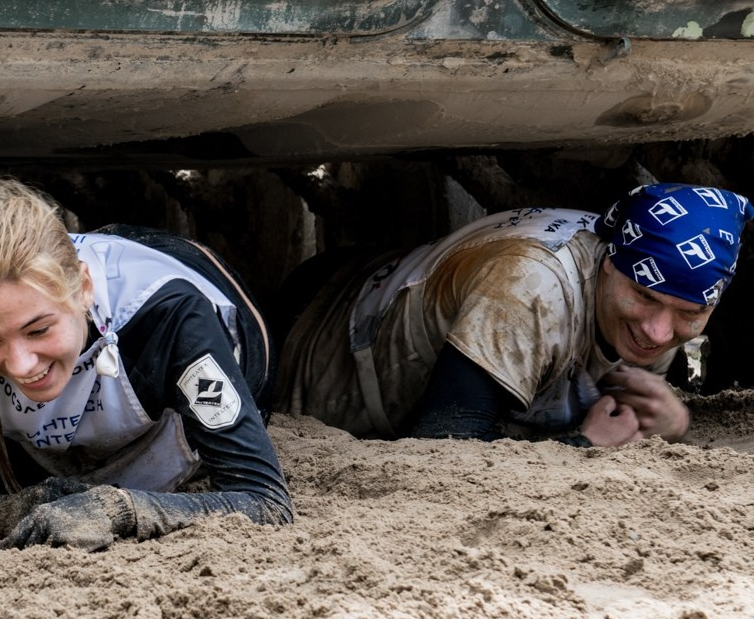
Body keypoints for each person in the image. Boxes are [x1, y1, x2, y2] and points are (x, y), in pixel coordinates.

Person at [0, 178, 293, 550]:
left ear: (84, 289)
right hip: (38, 435)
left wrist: (118, 510)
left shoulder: (170, 316)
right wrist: (9, 510)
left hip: (164, 390)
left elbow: (264, 498)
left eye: (38, 330)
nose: (20, 363)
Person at [275, 183, 752, 447]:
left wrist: (667, 425)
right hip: (313, 330)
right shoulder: (531, 285)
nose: (659, 332)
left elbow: (616, 408)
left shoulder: (653, 296)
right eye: (644, 297)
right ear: (609, 264)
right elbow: (445, 447)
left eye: (690, 312)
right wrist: (585, 447)